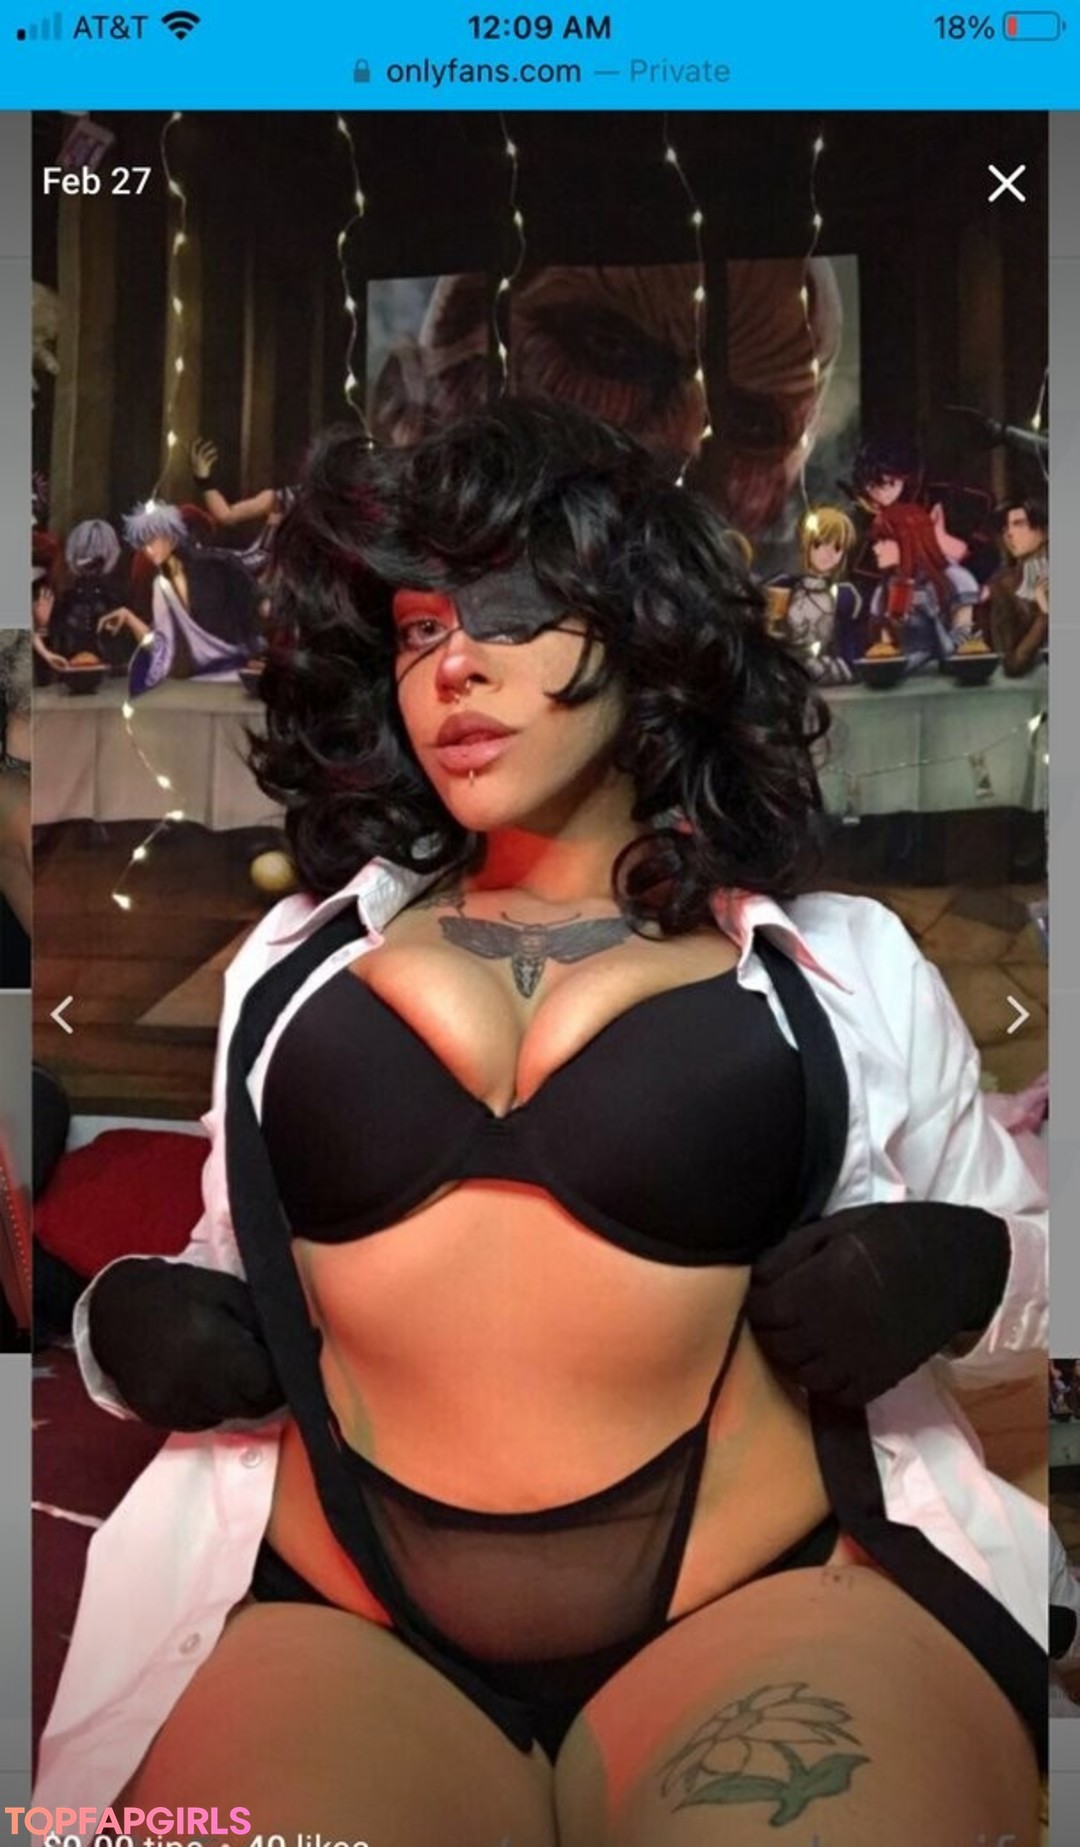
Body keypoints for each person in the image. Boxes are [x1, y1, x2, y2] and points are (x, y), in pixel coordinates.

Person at [38, 404, 1046, 1844]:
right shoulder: (292, 963)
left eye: (512, 610)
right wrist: (128, 1325)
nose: (453, 662)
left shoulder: (845, 963)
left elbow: (1034, 1281)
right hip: (345, 1619)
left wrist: (967, 1268)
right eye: (417, 628)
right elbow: (226, 1267)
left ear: (644, 625)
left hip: (763, 1603)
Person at [106, 501, 264, 694]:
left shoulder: (216, 567)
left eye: (152, 540)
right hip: (196, 679)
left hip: (235, 668)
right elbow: (162, 649)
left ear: (172, 538)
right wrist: (129, 618)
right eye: (143, 544)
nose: (148, 550)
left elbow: (252, 611)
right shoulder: (160, 586)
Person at [867, 501, 981, 673]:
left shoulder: (956, 580)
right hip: (904, 677)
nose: (876, 549)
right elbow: (885, 654)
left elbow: (959, 652)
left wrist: (931, 616)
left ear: (908, 539)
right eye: (876, 541)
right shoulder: (884, 589)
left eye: (884, 540)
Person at [765, 506, 863, 681]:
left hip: (824, 669)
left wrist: (841, 666)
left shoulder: (845, 595)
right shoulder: (783, 585)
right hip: (784, 668)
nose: (828, 553)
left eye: (837, 547)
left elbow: (850, 645)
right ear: (807, 544)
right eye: (820, 543)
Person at [986, 497, 1049, 678]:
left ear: (1044, 530)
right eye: (1005, 528)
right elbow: (1013, 664)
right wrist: (1045, 614)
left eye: (1019, 524)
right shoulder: (1004, 585)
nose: (1009, 534)